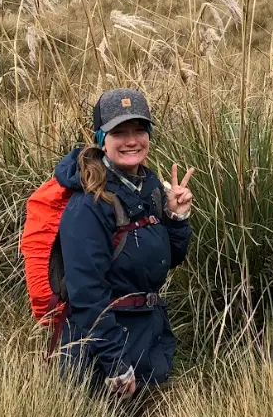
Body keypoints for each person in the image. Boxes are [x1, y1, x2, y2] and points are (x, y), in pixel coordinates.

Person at [53, 88, 194, 398]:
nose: (132, 140)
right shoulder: (88, 205)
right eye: (119, 132)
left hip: (150, 335)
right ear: (102, 139)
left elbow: (167, 260)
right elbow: (86, 293)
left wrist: (175, 218)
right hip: (101, 352)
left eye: (139, 130)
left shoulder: (151, 187)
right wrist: (116, 362)